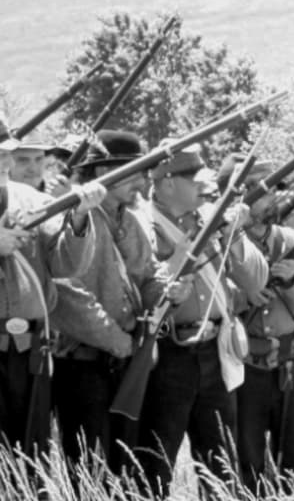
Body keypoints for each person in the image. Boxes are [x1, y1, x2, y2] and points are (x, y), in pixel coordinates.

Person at [50, 130, 188, 473]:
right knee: (88, 470)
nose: (142, 180)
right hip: (83, 363)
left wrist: (167, 290)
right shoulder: (69, 215)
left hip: (124, 362)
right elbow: (67, 294)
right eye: (133, 170)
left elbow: (148, 273)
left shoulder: (131, 217)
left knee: (123, 469)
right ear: (101, 173)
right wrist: (119, 341)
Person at [136, 143, 269, 498]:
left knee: (221, 466)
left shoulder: (213, 219)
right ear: (166, 183)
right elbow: (143, 289)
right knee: (155, 467)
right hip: (167, 353)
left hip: (214, 349)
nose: (202, 187)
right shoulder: (141, 224)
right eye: (192, 180)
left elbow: (256, 281)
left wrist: (232, 235)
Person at [0, 118, 105, 453]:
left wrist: (77, 218)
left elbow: (67, 265)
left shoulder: (31, 200)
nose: (6, 161)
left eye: (8, 153)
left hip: (29, 348)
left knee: (30, 460)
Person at [226, 154, 294, 494]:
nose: (264, 197)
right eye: (253, 189)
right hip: (242, 367)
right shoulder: (223, 242)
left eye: (268, 189)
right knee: (245, 466)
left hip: (289, 365)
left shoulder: (292, 240)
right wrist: (243, 298)